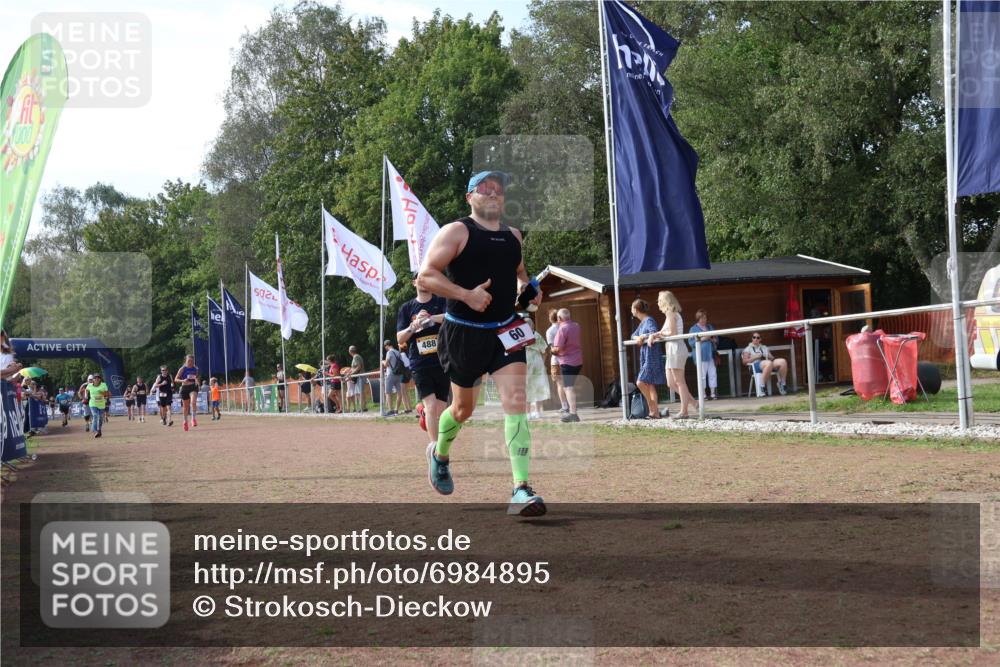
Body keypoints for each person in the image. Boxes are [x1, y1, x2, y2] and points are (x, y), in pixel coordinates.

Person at [416, 169, 546, 516]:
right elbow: (426, 274)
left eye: (498, 190)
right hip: (463, 333)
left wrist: (527, 291)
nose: (493, 194)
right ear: (469, 197)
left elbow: (521, 276)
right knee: (463, 410)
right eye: (484, 189)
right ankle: (439, 453)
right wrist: (466, 295)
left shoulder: (513, 236)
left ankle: (521, 489)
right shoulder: (457, 231)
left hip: (506, 329)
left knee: (516, 402)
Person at [397, 279, 450, 448]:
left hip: (442, 362)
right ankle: (435, 449)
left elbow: (452, 318)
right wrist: (413, 326)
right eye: (420, 279)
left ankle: (423, 412)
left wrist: (431, 318)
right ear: (414, 283)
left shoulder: (441, 302)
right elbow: (400, 338)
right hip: (420, 364)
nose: (424, 282)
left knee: (440, 410)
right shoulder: (406, 308)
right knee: (432, 406)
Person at [650, 290, 696, 419]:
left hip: (676, 348)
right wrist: (656, 334)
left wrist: (658, 334)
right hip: (672, 349)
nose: (658, 303)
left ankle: (684, 411)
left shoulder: (671, 312)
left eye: (659, 300)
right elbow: (667, 331)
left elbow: (672, 332)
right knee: (670, 382)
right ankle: (693, 402)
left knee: (679, 381)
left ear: (665, 301)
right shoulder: (670, 314)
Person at [631, 298, 667, 419]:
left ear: (635, 310)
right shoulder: (642, 323)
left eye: (632, 308)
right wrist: (638, 337)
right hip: (645, 355)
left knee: (640, 382)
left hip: (652, 356)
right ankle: (655, 412)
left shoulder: (649, 320)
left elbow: (654, 332)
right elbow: (633, 335)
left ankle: (652, 406)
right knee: (649, 384)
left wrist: (644, 336)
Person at [551, 308, 583, 423]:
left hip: (567, 362)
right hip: (578, 361)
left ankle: (573, 413)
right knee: (570, 387)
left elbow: (558, 348)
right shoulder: (576, 325)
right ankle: (572, 411)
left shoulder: (562, 329)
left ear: (559, 318)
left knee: (568, 388)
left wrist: (552, 350)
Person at [742, 332, 788, 396]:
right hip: (754, 367)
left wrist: (769, 356)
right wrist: (755, 357)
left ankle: (782, 384)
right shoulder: (748, 348)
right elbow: (744, 362)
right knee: (768, 363)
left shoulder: (764, 347)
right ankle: (762, 385)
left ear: (760, 339)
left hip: (767, 364)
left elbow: (772, 358)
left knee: (782, 361)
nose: (756, 339)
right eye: (754, 337)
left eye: (758, 338)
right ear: (752, 339)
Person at [689, 309, 719, 400]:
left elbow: (716, 340)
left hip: (711, 355)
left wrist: (712, 339)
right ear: (698, 319)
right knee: (702, 375)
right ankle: (703, 395)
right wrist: (705, 338)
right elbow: (691, 343)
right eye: (701, 318)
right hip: (700, 356)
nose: (704, 320)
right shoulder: (693, 329)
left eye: (705, 318)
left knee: (712, 373)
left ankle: (713, 394)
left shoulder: (710, 327)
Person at [523, 317, 550, 419]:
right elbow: (545, 352)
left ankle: (528, 413)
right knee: (538, 386)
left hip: (526, 363)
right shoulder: (537, 335)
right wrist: (542, 363)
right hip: (537, 363)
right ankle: (538, 412)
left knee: (527, 387)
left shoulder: (521, 337)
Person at [545, 309, 568, 414]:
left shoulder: (549, 331)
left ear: (550, 318)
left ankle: (564, 406)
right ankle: (571, 405)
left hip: (556, 360)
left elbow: (552, 348)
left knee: (560, 384)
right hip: (568, 358)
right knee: (569, 383)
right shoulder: (565, 328)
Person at [175, 355, 199, 431]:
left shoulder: (196, 369)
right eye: (189, 361)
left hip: (193, 387)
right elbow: (176, 379)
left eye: (192, 361)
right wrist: (183, 380)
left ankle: (193, 419)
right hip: (184, 388)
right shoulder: (182, 369)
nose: (190, 363)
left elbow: (196, 377)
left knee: (193, 402)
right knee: (185, 407)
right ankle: (185, 421)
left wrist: (197, 381)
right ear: (186, 361)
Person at [382, 340, 405, 416]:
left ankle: (390, 410)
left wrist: (382, 362)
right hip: (398, 374)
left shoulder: (389, 352)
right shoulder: (398, 352)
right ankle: (396, 409)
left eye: (385, 347)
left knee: (388, 392)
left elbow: (386, 364)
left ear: (386, 346)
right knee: (399, 392)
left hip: (390, 374)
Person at [88, 373, 110, 439]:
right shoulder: (89, 385)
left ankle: (99, 430)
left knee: (100, 418)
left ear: (100, 379)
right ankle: (95, 431)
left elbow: (107, 394)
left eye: (98, 378)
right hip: (93, 404)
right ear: (93, 380)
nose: (97, 379)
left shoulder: (103, 385)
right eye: (95, 378)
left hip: (101, 404)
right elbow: (86, 390)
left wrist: (102, 393)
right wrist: (85, 396)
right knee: (95, 415)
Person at [346, 346, 366, 413]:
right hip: (359, 377)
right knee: (360, 392)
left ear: (350, 351)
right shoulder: (357, 356)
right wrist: (349, 372)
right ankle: (363, 407)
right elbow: (355, 367)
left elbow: (358, 367)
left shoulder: (356, 357)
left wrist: (351, 374)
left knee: (359, 393)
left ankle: (362, 408)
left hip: (360, 376)